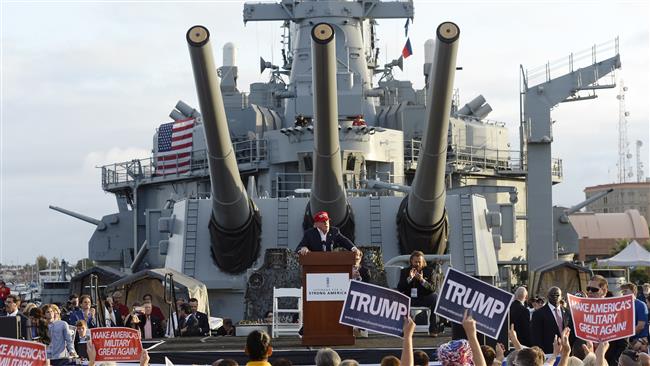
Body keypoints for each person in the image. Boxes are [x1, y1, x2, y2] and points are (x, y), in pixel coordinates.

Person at [397, 250, 441, 336]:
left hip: (424, 297)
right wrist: (409, 278)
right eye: (415, 262)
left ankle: (433, 329)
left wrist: (422, 280)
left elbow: (432, 288)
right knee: (400, 297)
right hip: (409, 298)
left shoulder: (430, 271)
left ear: (423, 262)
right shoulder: (405, 272)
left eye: (419, 262)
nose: (417, 264)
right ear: (411, 261)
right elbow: (400, 288)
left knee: (435, 297)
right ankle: (404, 329)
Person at [586, 275, 628, 366]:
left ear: (604, 291)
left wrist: (611, 362)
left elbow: (623, 343)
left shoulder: (617, 311)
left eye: (594, 289)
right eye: (588, 288)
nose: (589, 292)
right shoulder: (580, 311)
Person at [530, 286, 571, 354]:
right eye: (552, 295)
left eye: (557, 295)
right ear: (548, 296)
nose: (555, 297)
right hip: (548, 353)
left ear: (561, 296)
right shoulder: (538, 314)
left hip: (565, 352)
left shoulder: (567, 312)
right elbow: (535, 337)